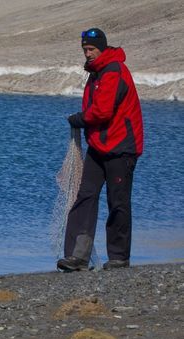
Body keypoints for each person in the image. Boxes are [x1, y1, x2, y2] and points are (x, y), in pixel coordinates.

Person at [57, 28, 143, 272]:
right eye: (85, 49)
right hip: (99, 145)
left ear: (102, 48)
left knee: (118, 202)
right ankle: (77, 256)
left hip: (121, 147)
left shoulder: (113, 70)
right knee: (85, 196)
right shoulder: (96, 72)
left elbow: (102, 110)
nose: (88, 53)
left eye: (92, 49)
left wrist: (80, 119)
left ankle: (118, 257)